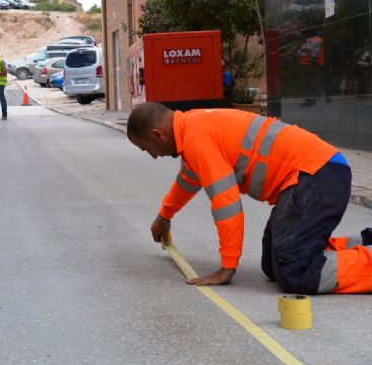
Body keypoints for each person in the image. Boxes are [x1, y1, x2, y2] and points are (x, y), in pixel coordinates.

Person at [126, 102, 372, 294]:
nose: (153, 156)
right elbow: (188, 181)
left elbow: (227, 204)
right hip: (313, 176)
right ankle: (365, 242)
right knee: (273, 264)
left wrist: (227, 268)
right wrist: (164, 217)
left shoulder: (195, 138)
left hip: (318, 175)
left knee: (294, 270)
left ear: (157, 135)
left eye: (147, 149)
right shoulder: (192, 128)